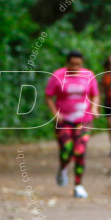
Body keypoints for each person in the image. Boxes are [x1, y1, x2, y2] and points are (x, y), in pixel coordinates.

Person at [44, 51, 98, 198]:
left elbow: (95, 94)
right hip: (64, 120)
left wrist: (94, 107)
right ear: (67, 63)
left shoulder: (89, 75)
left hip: (83, 119)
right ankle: (62, 168)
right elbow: (48, 96)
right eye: (72, 64)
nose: (75, 67)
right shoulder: (58, 76)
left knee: (80, 151)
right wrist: (55, 113)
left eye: (78, 64)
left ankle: (78, 186)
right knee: (67, 150)